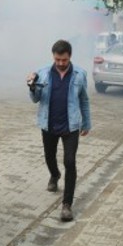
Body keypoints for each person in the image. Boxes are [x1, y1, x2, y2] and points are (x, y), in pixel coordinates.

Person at [27, 39, 92, 222]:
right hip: (49, 124)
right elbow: (35, 99)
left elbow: (84, 100)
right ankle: (54, 175)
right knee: (49, 156)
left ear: (69, 57)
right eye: (57, 60)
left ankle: (67, 205)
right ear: (53, 57)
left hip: (70, 125)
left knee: (70, 161)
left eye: (64, 60)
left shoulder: (80, 74)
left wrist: (86, 122)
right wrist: (32, 86)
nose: (61, 63)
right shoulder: (42, 74)